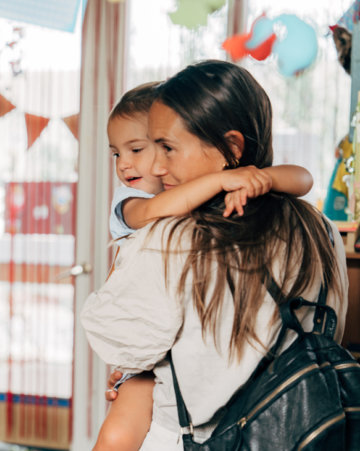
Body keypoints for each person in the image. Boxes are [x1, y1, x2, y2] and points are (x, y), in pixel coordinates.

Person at [82, 59, 348, 450]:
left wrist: (132, 374)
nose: (155, 166)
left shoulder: (173, 236)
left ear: (231, 147)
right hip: (302, 428)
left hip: (190, 437)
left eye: (168, 148)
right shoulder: (320, 227)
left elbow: (122, 344)